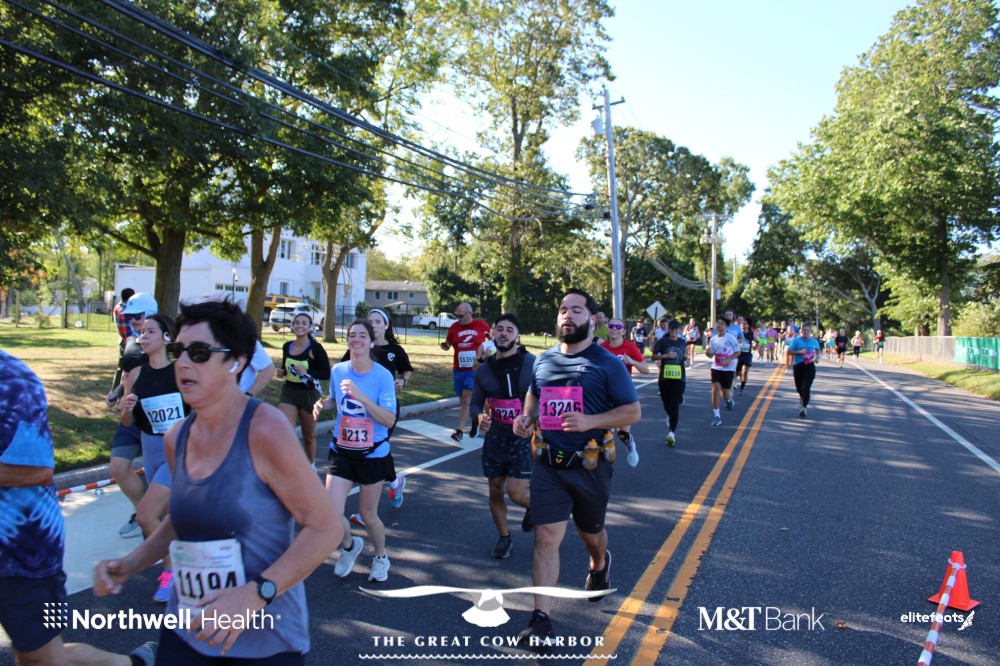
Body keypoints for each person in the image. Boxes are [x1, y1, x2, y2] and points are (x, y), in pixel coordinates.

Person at [96, 299, 340, 663]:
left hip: (262, 640)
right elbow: (182, 520)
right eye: (178, 351)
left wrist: (255, 594)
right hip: (187, 628)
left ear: (235, 362)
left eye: (198, 353)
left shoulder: (266, 430)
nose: (182, 363)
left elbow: (326, 528)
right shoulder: (177, 437)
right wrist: (131, 563)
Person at [1, 350, 156, 666]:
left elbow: (36, 471)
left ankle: (132, 663)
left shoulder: (13, 381)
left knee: (42, 659)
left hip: (20, 554)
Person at [511, 288, 640, 649]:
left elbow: (633, 412)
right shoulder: (543, 361)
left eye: (577, 310)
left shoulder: (607, 363)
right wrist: (526, 418)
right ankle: (540, 620)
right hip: (548, 465)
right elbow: (534, 395)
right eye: (563, 310)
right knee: (546, 537)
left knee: (590, 534)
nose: (568, 315)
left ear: (593, 320)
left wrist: (590, 421)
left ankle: (599, 564)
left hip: (589, 466)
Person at [315, 320, 398, 582]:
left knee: (368, 514)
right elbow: (337, 401)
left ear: (371, 342)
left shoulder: (382, 376)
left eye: (363, 335)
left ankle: (381, 557)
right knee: (330, 512)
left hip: (372, 453)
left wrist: (362, 396)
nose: (356, 339)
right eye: (352, 335)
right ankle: (350, 547)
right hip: (342, 450)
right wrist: (323, 404)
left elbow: (388, 419)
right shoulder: (338, 370)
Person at [120, 313, 190, 603]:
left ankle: (170, 572)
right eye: (142, 332)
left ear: (166, 338)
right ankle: (185, 566)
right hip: (150, 448)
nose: (143, 336)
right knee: (167, 517)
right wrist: (126, 408)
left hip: (178, 448)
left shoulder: (180, 371)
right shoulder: (136, 374)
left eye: (151, 331)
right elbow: (127, 422)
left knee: (146, 515)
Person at [469, 314, 536, 559]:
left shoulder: (532, 363)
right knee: (495, 489)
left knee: (517, 494)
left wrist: (533, 422)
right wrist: (479, 417)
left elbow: (545, 398)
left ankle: (535, 507)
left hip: (523, 437)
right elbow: (475, 403)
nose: (504, 333)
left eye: (509, 329)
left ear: (517, 335)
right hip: (496, 438)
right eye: (500, 329)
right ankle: (504, 537)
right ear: (492, 333)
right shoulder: (484, 370)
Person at [342, 308, 413, 523]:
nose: (373, 324)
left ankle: (366, 511)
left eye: (377, 321)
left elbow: (407, 369)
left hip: (385, 409)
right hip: (359, 408)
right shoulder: (362, 345)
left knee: (376, 448)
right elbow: (344, 367)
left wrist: (402, 381)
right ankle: (394, 482)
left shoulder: (394, 350)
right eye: (370, 321)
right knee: (374, 450)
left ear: (386, 325)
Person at [108, 292, 158, 540]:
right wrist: (117, 392)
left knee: (159, 475)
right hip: (128, 416)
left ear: (150, 314)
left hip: (153, 419)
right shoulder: (131, 341)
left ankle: (153, 520)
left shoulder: (163, 344)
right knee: (118, 467)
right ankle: (143, 514)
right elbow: (129, 375)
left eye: (137, 316)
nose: (133, 321)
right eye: (130, 317)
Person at [277, 312, 331, 463]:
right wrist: (282, 372)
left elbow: (326, 373)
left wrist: (308, 372)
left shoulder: (316, 348)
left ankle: (310, 466)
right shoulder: (287, 346)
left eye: (304, 323)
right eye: (297, 323)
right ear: (292, 325)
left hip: (309, 395)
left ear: (310, 327)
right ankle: (289, 465)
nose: (300, 326)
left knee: (308, 437)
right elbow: (285, 367)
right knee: (286, 432)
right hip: (289, 392)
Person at [599, 317, 649, 467]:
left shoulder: (630, 346)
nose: (614, 329)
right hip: (604, 393)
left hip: (623, 392)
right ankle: (603, 461)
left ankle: (631, 445)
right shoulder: (602, 347)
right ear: (608, 329)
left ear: (623, 331)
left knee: (622, 434)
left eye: (618, 327)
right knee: (603, 430)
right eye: (611, 326)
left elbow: (646, 369)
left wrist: (632, 362)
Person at [440, 302, 491, 443]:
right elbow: (449, 343)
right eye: (457, 315)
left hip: (475, 369)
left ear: (470, 314)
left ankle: (459, 431)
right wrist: (446, 346)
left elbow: (492, 340)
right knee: (463, 400)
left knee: (466, 399)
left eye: (461, 316)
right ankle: (475, 418)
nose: (458, 318)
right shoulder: (454, 327)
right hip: (459, 369)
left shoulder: (481, 326)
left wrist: (487, 354)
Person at [650, 320, 686, 446]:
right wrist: (666, 356)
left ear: (679, 330)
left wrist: (686, 359)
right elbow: (653, 356)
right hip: (665, 377)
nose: (674, 331)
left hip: (679, 378)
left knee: (674, 404)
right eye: (672, 329)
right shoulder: (662, 342)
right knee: (666, 402)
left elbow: (684, 354)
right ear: (669, 330)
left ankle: (671, 433)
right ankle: (670, 417)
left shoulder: (682, 342)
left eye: (676, 329)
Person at [705, 317, 740, 426]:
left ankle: (729, 400)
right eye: (718, 323)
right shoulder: (713, 339)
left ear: (726, 326)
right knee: (715, 389)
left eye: (722, 323)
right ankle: (717, 416)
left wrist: (728, 360)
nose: (719, 325)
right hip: (716, 367)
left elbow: (737, 352)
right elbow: (711, 355)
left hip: (728, 368)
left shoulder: (731, 338)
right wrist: (708, 352)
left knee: (725, 394)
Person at [786, 321, 822, 418]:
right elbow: (789, 352)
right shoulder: (796, 341)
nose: (806, 332)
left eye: (808, 330)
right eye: (804, 330)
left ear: (810, 332)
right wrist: (800, 352)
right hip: (798, 365)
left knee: (806, 387)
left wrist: (817, 357)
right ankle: (802, 398)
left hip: (809, 366)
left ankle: (803, 408)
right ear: (801, 331)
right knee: (799, 388)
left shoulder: (814, 341)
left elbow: (818, 350)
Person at [110, 287, 135, 392]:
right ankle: (122, 393)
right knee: (128, 370)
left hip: (122, 342)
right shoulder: (127, 310)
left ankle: (114, 391)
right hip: (130, 343)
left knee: (120, 369)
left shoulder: (117, 307)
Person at [735, 319, 756, 396]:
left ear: (748, 325)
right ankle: (735, 381)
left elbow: (757, 341)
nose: (743, 325)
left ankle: (741, 388)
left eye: (745, 323)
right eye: (742, 324)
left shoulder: (751, 334)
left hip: (747, 355)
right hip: (738, 355)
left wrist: (755, 346)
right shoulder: (737, 334)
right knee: (737, 373)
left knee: (745, 371)